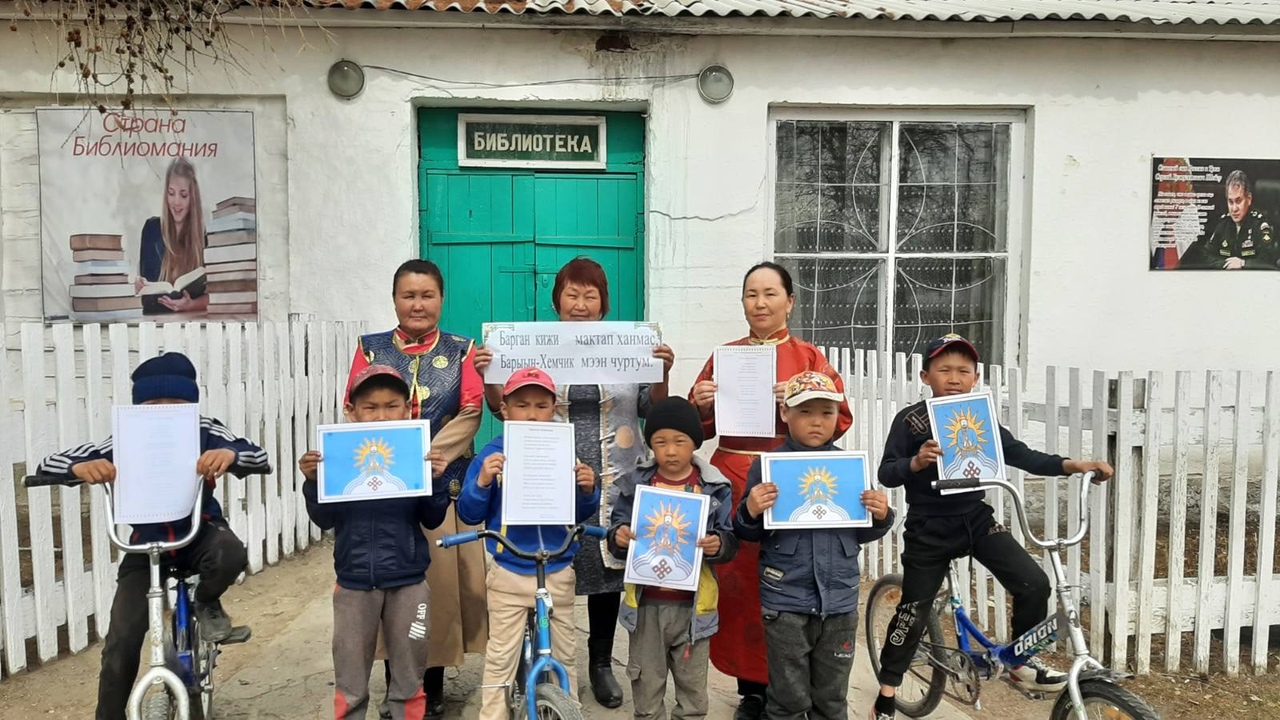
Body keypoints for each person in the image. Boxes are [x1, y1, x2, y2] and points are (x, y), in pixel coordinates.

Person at [871, 334, 1114, 720]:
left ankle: (1018, 661)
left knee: (1035, 583)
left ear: (976, 377)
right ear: (925, 375)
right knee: (913, 612)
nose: (954, 377)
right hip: (928, 528)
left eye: (963, 370)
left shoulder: (980, 419)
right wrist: (916, 463)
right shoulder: (911, 420)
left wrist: (1073, 465)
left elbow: (1021, 454)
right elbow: (887, 473)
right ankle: (887, 692)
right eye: (944, 369)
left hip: (976, 520)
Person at [474, 256, 674, 708]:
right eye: (572, 293)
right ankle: (537, 654)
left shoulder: (625, 346)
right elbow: (501, 407)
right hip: (546, 479)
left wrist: (661, 371)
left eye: (591, 295)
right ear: (556, 300)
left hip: (612, 478)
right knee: (546, 567)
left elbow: (649, 406)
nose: (581, 304)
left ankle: (600, 663)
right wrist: (489, 375)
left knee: (605, 575)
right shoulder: (531, 348)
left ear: (603, 304)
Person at [35, 352, 271, 720]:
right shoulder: (126, 438)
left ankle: (206, 602)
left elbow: (256, 454)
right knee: (121, 641)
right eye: (152, 404)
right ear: (138, 407)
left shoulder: (206, 430)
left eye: (175, 403)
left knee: (230, 552)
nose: (163, 410)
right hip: (145, 547)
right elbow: (48, 464)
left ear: (191, 403)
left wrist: (228, 454)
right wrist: (79, 466)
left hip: (199, 534)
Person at [688, 261, 852, 720]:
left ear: (790, 302)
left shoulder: (809, 357)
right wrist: (699, 404)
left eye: (770, 293)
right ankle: (753, 692)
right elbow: (693, 430)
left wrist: (800, 405)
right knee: (741, 589)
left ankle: (800, 690)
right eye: (751, 294)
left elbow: (840, 417)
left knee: (789, 589)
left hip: (793, 480)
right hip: (735, 479)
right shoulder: (725, 356)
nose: (760, 303)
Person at [346, 259, 488, 719]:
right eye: (408, 295)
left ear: (441, 299)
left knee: (436, 597)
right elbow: (355, 411)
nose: (418, 304)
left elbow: (470, 414)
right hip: (379, 494)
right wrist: (398, 460)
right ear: (394, 300)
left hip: (439, 491)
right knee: (387, 592)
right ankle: (395, 686)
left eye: (427, 295)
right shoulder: (369, 351)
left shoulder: (463, 350)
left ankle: (432, 685)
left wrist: (419, 461)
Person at [733, 371, 893, 720]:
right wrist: (750, 510)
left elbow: (860, 532)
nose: (817, 422)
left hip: (839, 602)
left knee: (833, 697)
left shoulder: (849, 468)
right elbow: (746, 532)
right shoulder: (767, 467)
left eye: (826, 412)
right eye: (805, 412)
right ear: (785, 414)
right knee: (787, 697)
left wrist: (880, 515)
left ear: (838, 418)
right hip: (785, 600)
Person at [299, 365, 452, 720]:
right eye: (370, 407)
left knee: (410, 669)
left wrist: (437, 482)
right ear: (350, 412)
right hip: (353, 584)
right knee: (350, 673)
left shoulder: (416, 457)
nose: (382, 415)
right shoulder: (337, 462)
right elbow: (323, 520)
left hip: (409, 581)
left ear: (408, 410)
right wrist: (313, 482)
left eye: (391, 405)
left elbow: (432, 518)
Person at [456, 366, 600, 720]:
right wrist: (483, 482)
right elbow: (470, 513)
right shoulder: (491, 454)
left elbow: (579, 512)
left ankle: (568, 709)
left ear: (555, 408)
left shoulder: (565, 450)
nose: (532, 414)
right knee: (502, 654)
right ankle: (494, 714)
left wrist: (587, 489)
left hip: (557, 566)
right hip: (509, 569)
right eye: (521, 405)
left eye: (541, 405)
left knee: (565, 651)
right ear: (504, 409)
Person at [606, 397, 739, 720]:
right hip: (646, 606)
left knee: (692, 688)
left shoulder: (712, 487)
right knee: (646, 685)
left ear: (695, 442)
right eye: (660, 442)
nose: (670, 450)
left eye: (680, 441)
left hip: (693, 608)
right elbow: (617, 530)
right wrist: (619, 538)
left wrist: (717, 544)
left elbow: (730, 538)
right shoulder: (637, 484)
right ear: (650, 444)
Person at [136, 157, 210, 313]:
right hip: (155, 322)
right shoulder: (152, 230)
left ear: (192, 198)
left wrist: (191, 305)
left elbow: (214, 294)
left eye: (183, 195)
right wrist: (139, 285)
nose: (176, 202)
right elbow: (145, 291)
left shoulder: (202, 238)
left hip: (192, 323)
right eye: (171, 193)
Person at [1181, 170, 1277, 270]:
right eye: (1230, 202)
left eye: (1238, 201)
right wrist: (1226, 265)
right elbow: (1206, 256)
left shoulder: (1260, 225)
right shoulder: (1223, 223)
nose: (1234, 208)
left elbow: (1268, 261)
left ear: (1248, 199)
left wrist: (1243, 264)